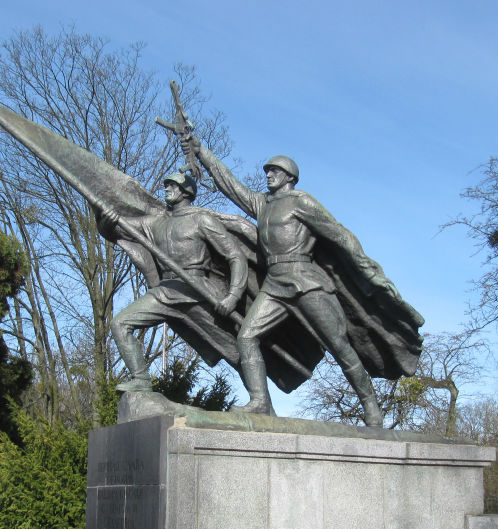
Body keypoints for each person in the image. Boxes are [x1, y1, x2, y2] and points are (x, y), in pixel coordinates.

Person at [184, 138, 418, 427]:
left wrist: (365, 267)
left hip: (307, 282)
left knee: (339, 346)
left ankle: (371, 405)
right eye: (267, 171)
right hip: (275, 284)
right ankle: (259, 402)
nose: (268, 175)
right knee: (246, 336)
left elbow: (339, 234)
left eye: (274, 171)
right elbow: (231, 185)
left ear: (289, 177)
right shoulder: (262, 204)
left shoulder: (301, 201)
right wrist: (201, 152)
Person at [102, 172, 248, 392]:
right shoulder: (154, 223)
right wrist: (108, 218)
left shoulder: (202, 220)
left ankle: (260, 400)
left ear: (186, 191)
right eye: (167, 184)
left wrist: (233, 296)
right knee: (120, 324)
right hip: (166, 289)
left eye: (173, 185)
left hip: (196, 290)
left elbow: (235, 256)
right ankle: (141, 380)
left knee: (232, 349)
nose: (167, 188)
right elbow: (117, 228)